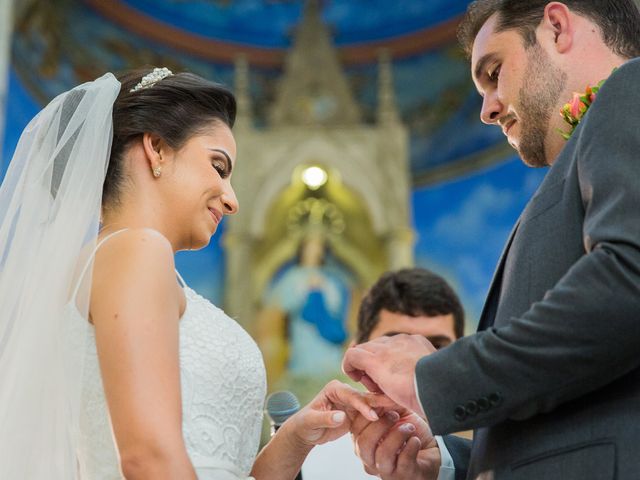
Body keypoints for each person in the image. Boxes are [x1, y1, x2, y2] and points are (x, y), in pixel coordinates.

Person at [0, 67, 384, 480]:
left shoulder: (127, 259)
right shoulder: (136, 250)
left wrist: (295, 438)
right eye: (219, 167)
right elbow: (149, 458)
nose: (232, 200)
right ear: (157, 149)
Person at [342, 1, 640, 479]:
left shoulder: (632, 90)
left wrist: (434, 379)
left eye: (494, 71)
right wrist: (444, 462)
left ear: (558, 27)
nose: (486, 110)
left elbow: (631, 279)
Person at [305, 268, 468, 479]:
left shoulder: (500, 454)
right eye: (396, 344)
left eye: (436, 346)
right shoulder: (310, 467)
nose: (418, 365)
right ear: (356, 357)